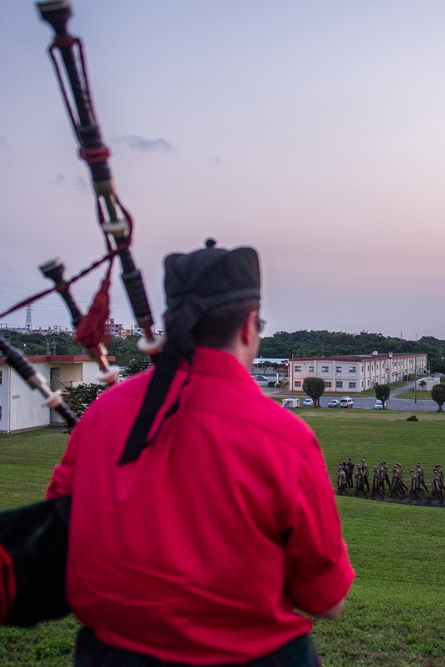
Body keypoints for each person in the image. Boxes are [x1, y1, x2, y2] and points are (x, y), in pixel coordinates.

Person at [45, 240, 354, 666]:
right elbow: (327, 600)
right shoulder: (286, 437)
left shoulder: (102, 415)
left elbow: (60, 532)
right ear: (248, 328)